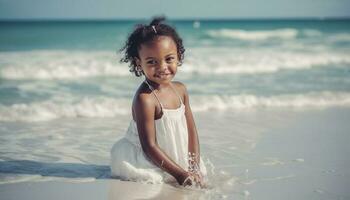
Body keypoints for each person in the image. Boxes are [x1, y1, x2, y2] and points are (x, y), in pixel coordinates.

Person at [110, 16, 207, 187]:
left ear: (179, 56)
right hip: (147, 157)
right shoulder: (145, 99)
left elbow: (192, 132)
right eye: (152, 62)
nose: (162, 67)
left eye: (169, 59)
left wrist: (193, 166)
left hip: (174, 152)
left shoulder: (181, 90)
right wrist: (180, 174)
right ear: (139, 63)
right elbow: (149, 146)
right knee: (154, 182)